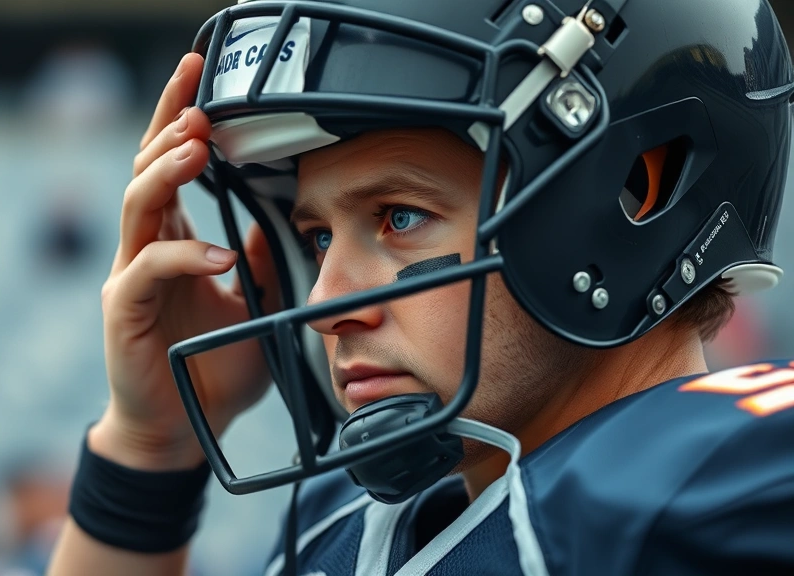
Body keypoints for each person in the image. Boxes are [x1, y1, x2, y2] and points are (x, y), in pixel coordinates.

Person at [48, 0, 794, 574]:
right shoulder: (349, 527)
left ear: (634, 193)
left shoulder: (713, 480)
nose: (320, 304)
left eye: (400, 216)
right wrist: (149, 449)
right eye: (316, 238)